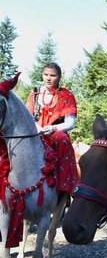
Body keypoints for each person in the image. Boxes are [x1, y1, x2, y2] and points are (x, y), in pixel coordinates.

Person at [26, 62, 79, 194]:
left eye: (53, 75)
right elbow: (28, 117)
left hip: (55, 134)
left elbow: (70, 123)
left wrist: (53, 129)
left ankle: (63, 184)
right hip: (35, 132)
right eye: (46, 74)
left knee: (61, 139)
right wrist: (38, 128)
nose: (48, 78)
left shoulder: (66, 95)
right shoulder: (35, 94)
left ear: (59, 77)